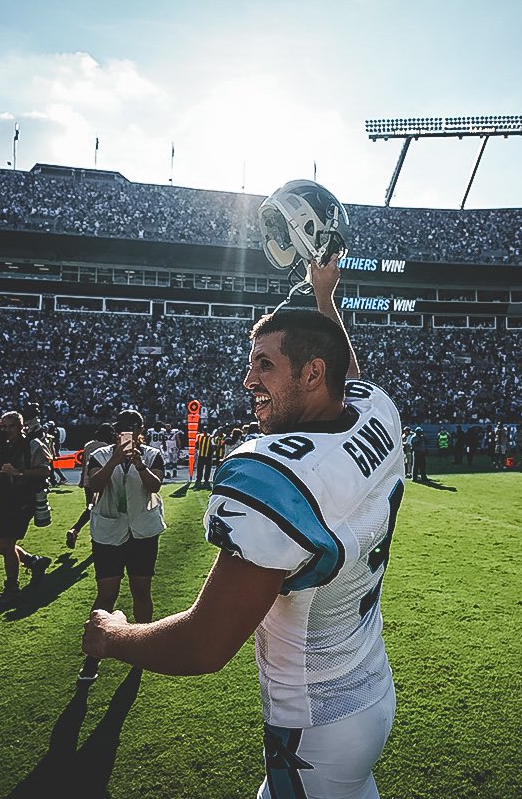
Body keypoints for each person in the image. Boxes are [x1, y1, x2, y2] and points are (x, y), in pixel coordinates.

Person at [83, 215, 403, 799]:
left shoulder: (276, 477)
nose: (247, 379)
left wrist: (113, 634)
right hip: (367, 689)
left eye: (265, 366)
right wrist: (325, 299)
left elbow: (205, 645)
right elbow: (349, 375)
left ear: (311, 374)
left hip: (313, 724)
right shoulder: (378, 412)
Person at [78, 409, 166, 683]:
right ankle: (92, 658)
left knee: (141, 590)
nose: (126, 434)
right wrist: (115, 460)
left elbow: (155, 486)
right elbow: (95, 485)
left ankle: (143, 646)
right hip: (109, 531)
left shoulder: (152, 455)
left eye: (131, 429)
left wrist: (139, 465)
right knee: (106, 595)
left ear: (141, 430)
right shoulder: (101, 455)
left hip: (142, 531)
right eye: (121, 429)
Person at [0, 410, 53, 608]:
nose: (6, 431)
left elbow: (45, 470)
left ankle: (12, 588)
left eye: (11, 426)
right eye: (3, 427)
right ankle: (33, 561)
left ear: (21, 426)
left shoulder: (32, 444)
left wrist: (18, 472)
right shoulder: (3, 445)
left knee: (6, 544)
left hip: (23, 500)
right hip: (5, 499)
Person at [65, 423, 116, 549]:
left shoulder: (88, 445)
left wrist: (82, 480)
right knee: (101, 509)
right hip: (102, 480)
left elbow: (84, 464)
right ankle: (85, 532)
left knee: (90, 506)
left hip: (89, 480)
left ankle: (75, 530)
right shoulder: (107, 447)